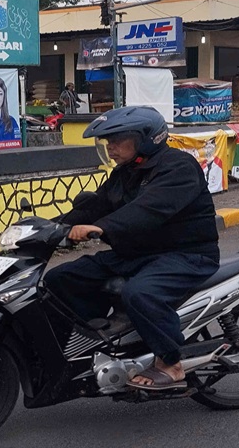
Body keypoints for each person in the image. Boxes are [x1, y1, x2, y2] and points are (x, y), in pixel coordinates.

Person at [45, 106, 220, 390]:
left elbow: (148, 208)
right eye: (107, 141)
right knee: (59, 279)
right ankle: (97, 341)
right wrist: (49, 228)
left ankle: (170, 362)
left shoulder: (179, 167)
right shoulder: (126, 173)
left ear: (146, 137)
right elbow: (96, 205)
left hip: (185, 256)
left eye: (117, 139)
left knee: (139, 293)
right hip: (135, 255)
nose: (110, 147)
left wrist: (102, 227)